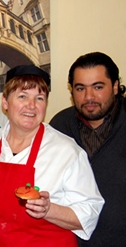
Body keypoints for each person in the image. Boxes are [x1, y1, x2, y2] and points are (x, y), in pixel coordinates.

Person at [0, 64, 104, 247]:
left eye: (39, 98)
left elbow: (89, 213)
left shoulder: (66, 151)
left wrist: (49, 210)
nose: (31, 106)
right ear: (5, 102)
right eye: (22, 96)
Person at [50, 52, 126, 246]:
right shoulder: (60, 126)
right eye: (80, 88)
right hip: (70, 241)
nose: (88, 97)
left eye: (98, 87)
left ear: (115, 86)